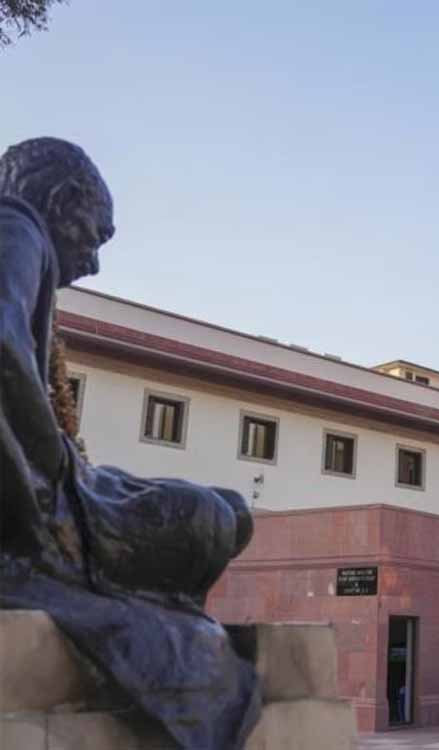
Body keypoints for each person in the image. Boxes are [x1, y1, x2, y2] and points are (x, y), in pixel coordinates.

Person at [0, 138, 259, 749]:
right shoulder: (18, 230)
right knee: (214, 515)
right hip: (54, 506)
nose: (92, 264)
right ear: (62, 201)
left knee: (223, 511)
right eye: (96, 237)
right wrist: (55, 472)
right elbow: (4, 344)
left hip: (65, 493)